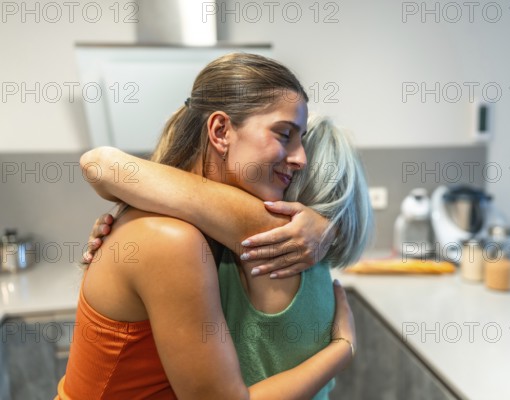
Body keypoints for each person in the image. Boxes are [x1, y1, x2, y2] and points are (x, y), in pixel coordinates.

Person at [56, 53, 358, 399]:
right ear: (220, 131)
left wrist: (327, 227)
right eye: (285, 134)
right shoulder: (171, 239)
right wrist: (341, 349)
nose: (301, 158)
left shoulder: (199, 229)